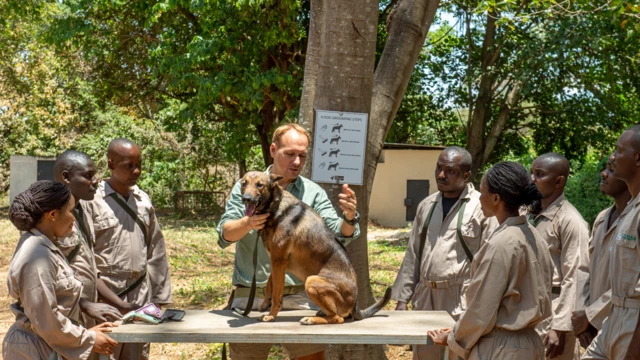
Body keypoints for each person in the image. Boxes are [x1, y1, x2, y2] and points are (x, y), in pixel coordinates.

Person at [217, 123, 360, 360]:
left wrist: (350, 217)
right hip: (250, 299)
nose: (296, 161)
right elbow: (224, 234)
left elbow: (339, 233)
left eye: (302, 156)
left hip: (303, 299)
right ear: (273, 150)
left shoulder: (312, 191)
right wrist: (248, 223)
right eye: (290, 154)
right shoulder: (246, 187)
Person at [427, 161, 554, 360]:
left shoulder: (501, 243)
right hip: (531, 344)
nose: (479, 199)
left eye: (482, 192)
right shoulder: (534, 235)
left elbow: (481, 310)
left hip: (501, 348)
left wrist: (452, 338)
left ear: (496, 198)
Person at [391, 146, 497, 360]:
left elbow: (490, 261)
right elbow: (413, 254)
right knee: (425, 355)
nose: (441, 175)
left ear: (466, 176)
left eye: (450, 171)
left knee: (458, 354)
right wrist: (402, 300)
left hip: (460, 300)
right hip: (426, 298)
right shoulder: (426, 205)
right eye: (439, 168)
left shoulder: (481, 207)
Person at [3, 180, 118, 359]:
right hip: (35, 349)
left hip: (47, 344)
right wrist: (88, 339)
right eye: (71, 211)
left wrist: (84, 332)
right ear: (53, 215)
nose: (74, 218)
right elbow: (46, 320)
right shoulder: (37, 256)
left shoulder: (45, 245)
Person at [87, 138, 172, 360]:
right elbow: (85, 256)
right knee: (106, 351)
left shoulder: (143, 200)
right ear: (111, 164)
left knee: (137, 353)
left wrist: (160, 298)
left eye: (139, 164)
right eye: (128, 165)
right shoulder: (92, 201)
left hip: (140, 295)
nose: (136, 171)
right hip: (105, 294)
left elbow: (156, 249)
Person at [53, 150, 136, 332]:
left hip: (85, 315)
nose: (96, 181)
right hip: (60, 320)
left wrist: (121, 305)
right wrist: (84, 304)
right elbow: (45, 281)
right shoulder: (49, 218)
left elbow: (88, 268)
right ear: (66, 177)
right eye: (88, 176)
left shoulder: (84, 210)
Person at [583, 126, 640, 359]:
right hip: (613, 319)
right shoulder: (630, 209)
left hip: (633, 326)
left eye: (618, 151)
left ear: (638, 158)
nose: (613, 158)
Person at [529, 152, 590, 359]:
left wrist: (560, 326)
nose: (532, 179)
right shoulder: (529, 214)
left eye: (539, 174)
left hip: (553, 312)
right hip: (528, 309)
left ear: (558, 181)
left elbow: (576, 275)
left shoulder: (571, 220)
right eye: (531, 173)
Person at [571, 155, 630, 348]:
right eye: (606, 168)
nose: (604, 174)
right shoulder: (602, 218)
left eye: (612, 170)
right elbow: (585, 270)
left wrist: (590, 315)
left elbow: (631, 282)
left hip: (623, 327)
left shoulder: (634, 219)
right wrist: (582, 319)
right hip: (593, 330)